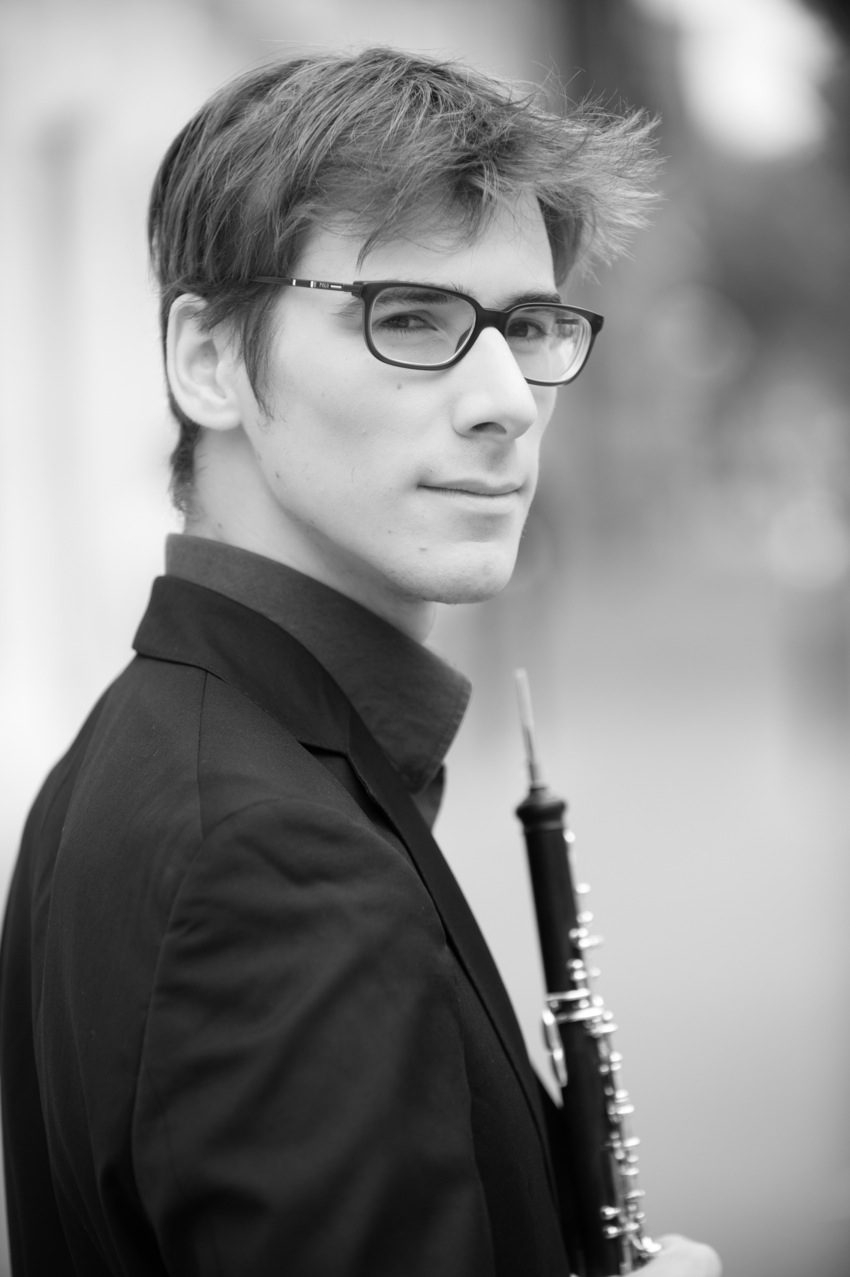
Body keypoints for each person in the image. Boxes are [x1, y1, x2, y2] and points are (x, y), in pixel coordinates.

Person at [0, 47, 721, 1277]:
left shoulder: (144, 748)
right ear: (209, 360)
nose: (507, 400)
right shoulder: (272, 862)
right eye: (411, 317)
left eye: (528, 325)